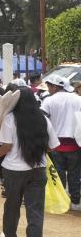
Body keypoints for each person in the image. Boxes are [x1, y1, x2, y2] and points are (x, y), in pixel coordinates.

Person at [0, 88, 59, 237]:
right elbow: (52, 147)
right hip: (38, 169)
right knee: (35, 211)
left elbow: (7, 146)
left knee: (12, 205)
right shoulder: (43, 119)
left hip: (13, 170)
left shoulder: (10, 119)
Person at [40, 74, 81, 211]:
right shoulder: (77, 99)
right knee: (75, 173)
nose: (48, 89)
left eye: (49, 86)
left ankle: (62, 201)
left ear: (55, 86)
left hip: (56, 144)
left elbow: (42, 121)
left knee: (58, 174)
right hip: (75, 143)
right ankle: (75, 202)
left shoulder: (49, 101)